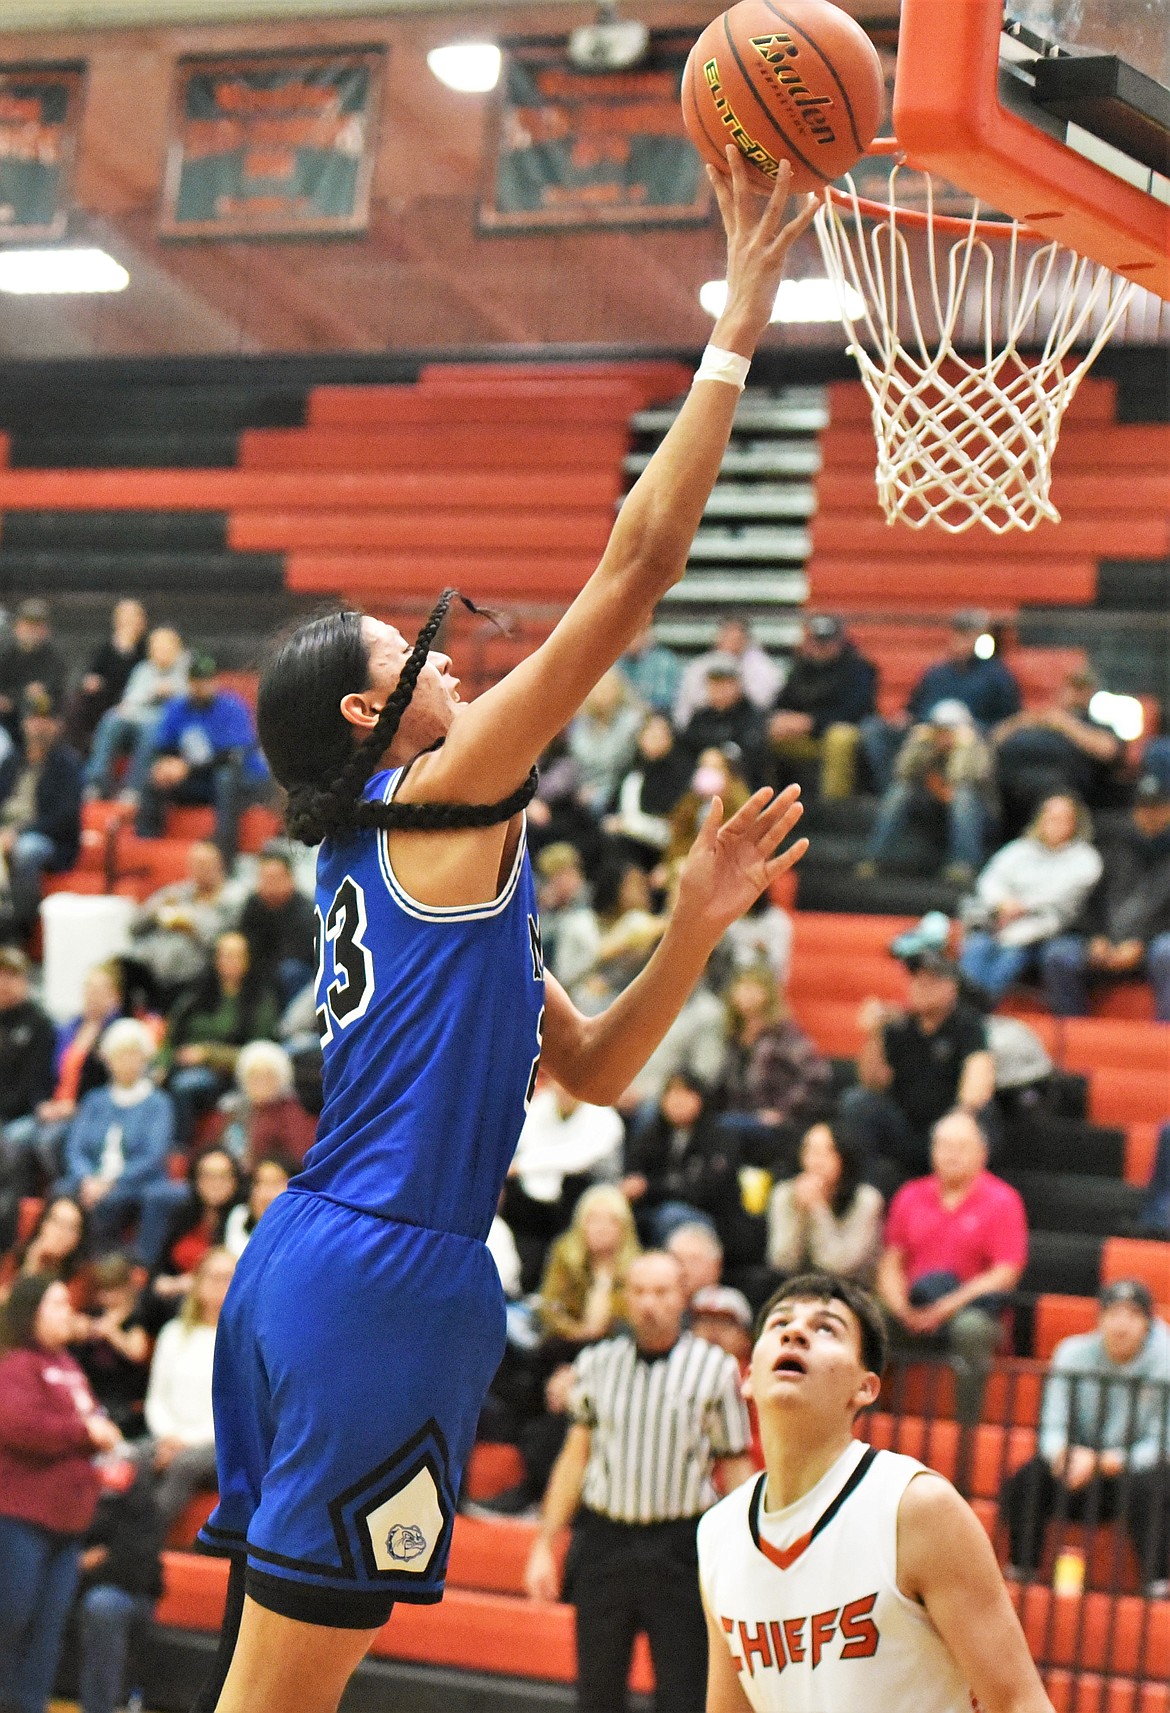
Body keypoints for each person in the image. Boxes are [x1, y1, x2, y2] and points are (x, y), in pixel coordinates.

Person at [190, 150, 815, 1713]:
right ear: (369, 713)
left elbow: (591, 1071)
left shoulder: (399, 859)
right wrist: (739, 312)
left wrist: (689, 923)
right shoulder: (439, 795)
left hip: (324, 1262)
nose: (455, 665)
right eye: (419, 654)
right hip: (383, 1279)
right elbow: (636, 571)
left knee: (272, 1684)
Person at [698, 1271, 1054, 1713]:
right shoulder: (718, 1531)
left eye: (826, 1328)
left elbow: (1020, 1703)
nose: (795, 1332)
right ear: (748, 1377)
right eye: (780, 1324)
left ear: (865, 1388)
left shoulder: (916, 1508)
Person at [525, 1250, 755, 1713]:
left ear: (682, 1298)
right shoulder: (596, 1362)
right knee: (597, 1693)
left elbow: (735, 1467)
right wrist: (544, 1544)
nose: (650, 1303)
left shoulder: (715, 1369)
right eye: (640, 1291)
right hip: (604, 1544)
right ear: (625, 1298)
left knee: (684, 1692)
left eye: (662, 1291)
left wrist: (748, 1554)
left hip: (680, 1546)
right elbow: (575, 1456)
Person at [1001, 1279, 1170, 1597]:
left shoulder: (1166, 1362)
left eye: (1133, 1315)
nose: (1122, 1324)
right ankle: (1020, 1572)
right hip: (1078, 1468)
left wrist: (1107, 1462)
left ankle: (1158, 1584)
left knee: (1153, 1485)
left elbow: (1164, 1444)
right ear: (1100, 1319)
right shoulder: (1072, 1353)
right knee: (1027, 1479)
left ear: (1148, 1325)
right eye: (1114, 1313)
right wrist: (1063, 1455)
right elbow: (1052, 1425)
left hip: (1132, 1471)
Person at [0, 1274, 121, 1713]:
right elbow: (20, 1426)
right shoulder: (16, 1364)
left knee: (48, 1629)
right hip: (20, 1518)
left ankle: (30, 1705)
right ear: (29, 1311)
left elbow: (88, 1420)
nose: (66, 1312)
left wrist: (100, 1433)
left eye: (67, 1304)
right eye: (54, 1304)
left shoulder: (69, 1365)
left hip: (68, 1522)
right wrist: (86, 1432)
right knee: (11, 1622)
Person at [875, 1111, 1028, 1425]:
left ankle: (967, 1432)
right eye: (943, 1146)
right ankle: (862, 1423)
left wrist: (944, 1308)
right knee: (868, 1322)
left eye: (961, 1146)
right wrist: (901, 1308)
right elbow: (891, 1262)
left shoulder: (1004, 1201)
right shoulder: (910, 1195)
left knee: (970, 1330)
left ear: (982, 1153)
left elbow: (1005, 1274)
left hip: (973, 1309)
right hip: (915, 1304)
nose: (951, 1155)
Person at [843, 950, 998, 1184]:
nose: (920, 987)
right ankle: (862, 1189)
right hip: (904, 1124)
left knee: (982, 1115)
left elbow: (978, 1078)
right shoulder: (898, 1026)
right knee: (857, 1102)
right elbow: (871, 1082)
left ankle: (963, 1192)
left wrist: (961, 1114)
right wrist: (873, 1036)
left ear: (952, 987)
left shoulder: (968, 1025)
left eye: (931, 981)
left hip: (947, 1121)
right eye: (916, 980)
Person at [1040, 764, 1170, 1020]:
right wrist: (1095, 938)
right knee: (1058, 954)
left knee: (1167, 951)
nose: (1149, 814)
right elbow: (1090, 903)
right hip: (1107, 945)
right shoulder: (1114, 849)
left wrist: (1141, 943)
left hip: (1150, 946)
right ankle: (1075, 1034)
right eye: (1143, 807)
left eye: (1158, 807)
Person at [57, 1018, 178, 1269]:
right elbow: (75, 1148)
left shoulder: (158, 1103)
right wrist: (87, 1179)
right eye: (119, 1055)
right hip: (92, 1179)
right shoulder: (94, 1100)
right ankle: (64, 1265)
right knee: (61, 1192)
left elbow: (154, 1154)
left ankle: (111, 1269)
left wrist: (109, 1182)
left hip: (137, 1181)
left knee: (110, 1200)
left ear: (145, 1058)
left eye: (133, 1055)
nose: (126, 1062)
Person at [958, 793, 1103, 1002]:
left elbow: (1063, 894)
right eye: (1049, 816)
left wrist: (1023, 906)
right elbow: (990, 879)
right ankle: (962, 1006)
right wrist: (1002, 903)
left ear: (1075, 824)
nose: (1052, 823)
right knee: (977, 946)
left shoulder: (1085, 858)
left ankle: (981, 1007)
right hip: (1000, 919)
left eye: (1061, 818)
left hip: (1046, 927)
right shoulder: (1020, 849)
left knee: (1011, 955)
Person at [1, 960, 125, 1202]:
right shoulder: (69, 1029)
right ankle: (19, 1203)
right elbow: (44, 1073)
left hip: (89, 1110)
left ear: (115, 996)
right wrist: (43, 1103)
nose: (92, 997)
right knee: (16, 1136)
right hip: (57, 1106)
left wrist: (76, 1106)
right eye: (89, 990)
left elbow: (110, 1084)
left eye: (100, 991)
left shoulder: (118, 1032)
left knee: (48, 1141)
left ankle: (64, 1195)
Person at [860, 611, 1022, 795]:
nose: (964, 641)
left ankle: (959, 793)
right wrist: (905, 719)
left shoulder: (998, 675)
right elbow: (913, 709)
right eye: (960, 634)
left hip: (970, 737)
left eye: (971, 635)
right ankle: (889, 787)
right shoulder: (936, 673)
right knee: (873, 728)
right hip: (927, 733)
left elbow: (1010, 720)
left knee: (967, 749)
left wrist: (971, 730)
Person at [136, 654, 271, 865]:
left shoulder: (232, 707)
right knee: (156, 775)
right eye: (196, 680)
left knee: (225, 778)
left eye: (207, 680)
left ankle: (224, 857)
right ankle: (144, 851)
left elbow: (233, 755)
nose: (201, 686)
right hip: (200, 782)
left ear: (215, 681)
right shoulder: (177, 707)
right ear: (188, 682)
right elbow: (164, 746)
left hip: (241, 782)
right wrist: (167, 765)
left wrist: (187, 768)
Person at [141, 1247, 235, 1532]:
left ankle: (144, 1541)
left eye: (229, 1277)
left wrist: (185, 1442)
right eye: (214, 1277)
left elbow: (233, 1413)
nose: (221, 1285)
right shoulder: (173, 1332)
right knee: (135, 1457)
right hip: (168, 1435)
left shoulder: (240, 1342)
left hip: (218, 1443)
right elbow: (156, 1398)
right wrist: (168, 1436)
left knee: (184, 1465)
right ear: (198, 1282)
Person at [857, 699, 995, 887]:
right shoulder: (924, 742)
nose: (944, 735)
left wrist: (962, 748)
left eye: (950, 730)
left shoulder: (977, 747)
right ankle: (874, 858)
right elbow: (902, 772)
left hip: (974, 815)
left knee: (963, 796)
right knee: (900, 790)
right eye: (939, 729)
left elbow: (962, 778)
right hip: (930, 807)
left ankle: (964, 865)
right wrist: (921, 746)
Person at [160, 929, 282, 1139]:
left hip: (229, 1074)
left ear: (247, 960)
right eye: (224, 955)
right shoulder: (195, 996)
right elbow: (170, 1038)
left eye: (236, 956)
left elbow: (260, 1052)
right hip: (181, 1065)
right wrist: (161, 1065)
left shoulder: (260, 1000)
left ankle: (179, 1147)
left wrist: (208, 1054)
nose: (229, 961)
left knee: (185, 1086)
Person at [716, 965, 831, 1174]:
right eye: (742, 986)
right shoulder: (733, 1035)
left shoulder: (783, 1033)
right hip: (740, 1114)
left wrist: (783, 1111)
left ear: (767, 993)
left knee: (724, 1128)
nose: (746, 993)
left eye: (753, 987)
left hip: (777, 1121)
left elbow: (817, 1074)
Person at [74, 1455, 165, 1713]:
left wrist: (79, 1567)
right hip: (75, 1583)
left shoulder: (141, 1501)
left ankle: (97, 1709)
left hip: (130, 1592)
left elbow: (135, 1569)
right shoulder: (67, 1491)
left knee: (103, 1605)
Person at [993, 665, 1124, 829]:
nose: (1077, 694)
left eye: (1083, 689)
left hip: (1060, 788)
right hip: (1010, 785)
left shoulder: (1093, 726)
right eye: (1073, 687)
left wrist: (1064, 723)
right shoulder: (1034, 718)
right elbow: (995, 738)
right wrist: (1030, 719)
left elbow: (1108, 750)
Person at [0, 686, 83, 938]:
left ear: (56, 725)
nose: (39, 726)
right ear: (25, 724)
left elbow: (65, 817)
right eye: (34, 720)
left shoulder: (67, 764)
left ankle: (18, 930)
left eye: (46, 720)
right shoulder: (12, 760)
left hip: (50, 839)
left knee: (26, 850)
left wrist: (18, 832)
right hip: (6, 831)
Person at [767, 614, 877, 800]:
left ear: (840, 641)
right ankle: (766, 802)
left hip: (844, 731)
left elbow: (855, 712)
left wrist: (812, 722)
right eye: (817, 641)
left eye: (827, 641)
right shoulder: (800, 668)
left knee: (840, 737)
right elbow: (782, 702)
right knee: (764, 732)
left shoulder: (859, 669)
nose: (821, 647)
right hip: (804, 735)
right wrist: (780, 720)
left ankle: (833, 808)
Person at [623, 1070, 739, 1246]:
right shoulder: (652, 1134)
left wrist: (649, 1188)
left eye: (686, 1093)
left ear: (701, 1098)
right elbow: (633, 1175)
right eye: (671, 1093)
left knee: (671, 1215)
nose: (677, 1100)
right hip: (655, 1210)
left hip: (711, 1219)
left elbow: (702, 1192)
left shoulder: (720, 1137)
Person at [126, 839, 239, 1008]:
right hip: (152, 970)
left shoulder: (232, 900)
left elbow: (227, 944)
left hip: (197, 975)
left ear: (219, 865)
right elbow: (134, 928)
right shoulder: (175, 893)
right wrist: (155, 911)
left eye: (205, 864)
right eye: (195, 864)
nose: (200, 870)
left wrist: (192, 928)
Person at [766, 1122, 884, 1284]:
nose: (816, 1161)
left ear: (844, 1156)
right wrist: (799, 1213)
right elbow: (782, 1261)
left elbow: (840, 1266)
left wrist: (818, 1208)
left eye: (826, 1152)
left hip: (854, 1290)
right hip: (797, 1287)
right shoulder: (784, 1193)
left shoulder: (867, 1199)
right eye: (810, 1151)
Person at [85, 624, 189, 804]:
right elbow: (130, 699)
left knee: (151, 728)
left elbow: (189, 698)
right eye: (156, 647)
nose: (161, 652)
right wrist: (151, 694)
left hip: (167, 721)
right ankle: (97, 783)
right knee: (111, 719)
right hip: (137, 716)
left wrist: (170, 692)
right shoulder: (143, 669)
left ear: (177, 648)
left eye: (166, 647)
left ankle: (133, 789)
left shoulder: (186, 668)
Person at [536, 1183, 641, 1354]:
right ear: (581, 1224)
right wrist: (577, 1332)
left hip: (618, 1348)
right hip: (568, 1345)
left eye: (611, 1221)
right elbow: (549, 1306)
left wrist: (604, 1283)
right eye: (594, 1219)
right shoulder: (564, 1254)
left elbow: (630, 1317)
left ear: (624, 1227)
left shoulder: (637, 1267)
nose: (602, 1228)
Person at [71, 1252, 152, 1440]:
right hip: (93, 1393)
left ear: (127, 1288)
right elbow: (76, 1328)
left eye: (114, 1291)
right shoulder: (94, 1313)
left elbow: (137, 1352)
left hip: (123, 1401)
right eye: (103, 1291)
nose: (107, 1297)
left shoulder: (136, 1318)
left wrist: (112, 1333)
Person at [604, 711, 692, 869]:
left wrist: (628, 824)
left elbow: (675, 823)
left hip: (662, 847)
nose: (655, 737)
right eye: (650, 731)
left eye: (661, 732)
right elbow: (611, 807)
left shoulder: (681, 773)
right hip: (627, 842)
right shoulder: (632, 770)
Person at [212, 1039, 317, 1171]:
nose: (261, 1083)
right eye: (254, 1076)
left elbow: (300, 1156)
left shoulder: (293, 1114)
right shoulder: (232, 1110)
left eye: (268, 1076)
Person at [65, 597, 149, 754]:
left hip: (136, 705)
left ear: (142, 623)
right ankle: (73, 754)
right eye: (123, 619)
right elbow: (92, 673)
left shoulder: (148, 650)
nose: (127, 625)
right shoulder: (105, 649)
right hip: (105, 701)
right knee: (77, 702)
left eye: (132, 619)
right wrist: (91, 681)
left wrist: (126, 652)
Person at [237, 842, 316, 1005]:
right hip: (259, 968)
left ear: (290, 878)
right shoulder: (253, 905)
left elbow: (297, 955)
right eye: (265, 878)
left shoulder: (305, 911)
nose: (269, 884)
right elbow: (243, 941)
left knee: (289, 971)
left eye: (275, 879)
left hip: (299, 978)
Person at [675, 616, 784, 730]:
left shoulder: (760, 665)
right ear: (718, 638)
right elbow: (692, 700)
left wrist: (735, 696)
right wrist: (720, 697)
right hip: (703, 725)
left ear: (746, 640)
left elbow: (763, 700)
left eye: (737, 638)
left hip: (744, 725)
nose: (731, 642)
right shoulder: (698, 666)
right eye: (727, 636)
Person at [677, 661, 770, 790]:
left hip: (742, 784)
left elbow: (751, 753)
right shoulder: (701, 715)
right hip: (698, 782)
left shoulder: (752, 715)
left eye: (724, 685)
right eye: (714, 685)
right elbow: (686, 747)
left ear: (737, 686)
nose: (718, 691)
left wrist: (721, 756)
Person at [566, 669, 645, 814]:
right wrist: (581, 788)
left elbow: (626, 764)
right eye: (596, 689)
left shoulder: (632, 722)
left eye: (606, 689)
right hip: (582, 792)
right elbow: (574, 762)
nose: (601, 695)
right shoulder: (579, 724)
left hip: (619, 792)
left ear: (618, 690)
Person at [0, 946, 56, 1135]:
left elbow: (35, 1082)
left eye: (11, 976)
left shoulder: (39, 1024)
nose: (4, 983)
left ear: (25, 980)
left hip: (24, 1113)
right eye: (0, 976)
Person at [0, 1194, 90, 1310]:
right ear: (43, 1224)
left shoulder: (82, 1274)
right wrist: (29, 1268)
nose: (61, 1233)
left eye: (71, 1227)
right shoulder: (18, 1256)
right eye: (56, 1222)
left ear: (79, 1237)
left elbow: (54, 1316)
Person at [535, 843, 601, 992]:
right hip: (549, 978)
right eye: (559, 875)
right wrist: (546, 908)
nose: (567, 881)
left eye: (571, 873)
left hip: (582, 977)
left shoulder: (585, 904)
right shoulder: (537, 905)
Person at [0, 598, 67, 743]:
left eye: (38, 625)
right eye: (28, 624)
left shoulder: (53, 657)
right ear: (17, 626)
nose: (33, 630)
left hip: (34, 716)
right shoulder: (5, 651)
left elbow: (52, 695)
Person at [222, 1155, 294, 1258]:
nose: (267, 1194)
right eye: (260, 1183)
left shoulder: (303, 1232)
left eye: (276, 1183)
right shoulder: (238, 1216)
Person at [617, 624, 682, 716]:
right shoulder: (613, 663)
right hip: (621, 719)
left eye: (634, 635)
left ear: (645, 635)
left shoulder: (663, 661)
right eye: (626, 636)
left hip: (655, 717)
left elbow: (663, 704)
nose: (631, 641)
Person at [668, 1220, 727, 1304]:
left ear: (716, 1265)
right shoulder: (663, 1307)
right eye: (678, 1260)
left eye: (693, 1260)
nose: (684, 1269)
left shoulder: (727, 1306)